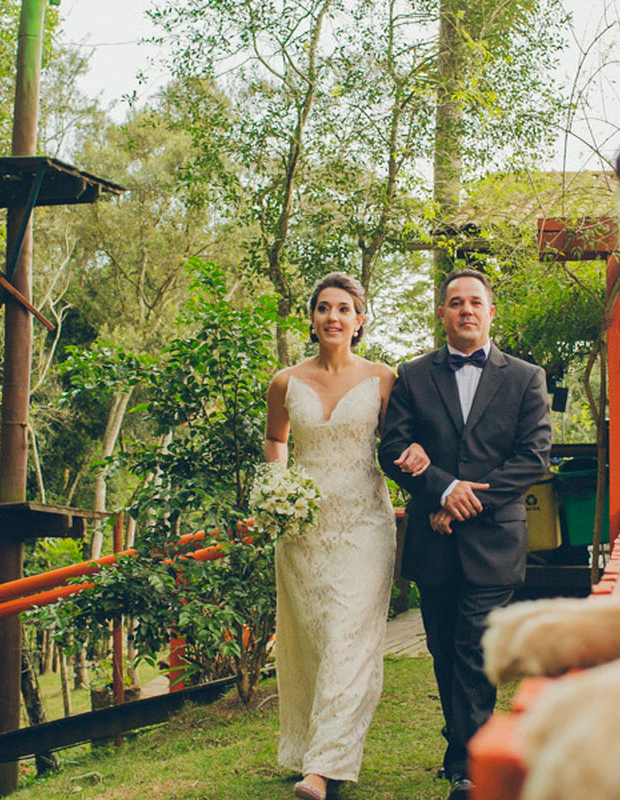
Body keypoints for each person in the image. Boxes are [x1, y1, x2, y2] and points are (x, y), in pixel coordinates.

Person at [378, 268, 552, 800]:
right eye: (456, 302)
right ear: (442, 314)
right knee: (443, 647)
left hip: (494, 541)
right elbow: (392, 448)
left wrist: (465, 502)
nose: (466, 310)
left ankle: (469, 766)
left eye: (475, 302)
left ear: (490, 312)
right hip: (433, 542)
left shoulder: (526, 377)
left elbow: (534, 457)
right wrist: (443, 490)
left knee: (474, 648)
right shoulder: (412, 375)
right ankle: (460, 745)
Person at [264, 272, 403, 800]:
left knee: (349, 638)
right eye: (324, 308)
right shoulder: (285, 382)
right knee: (312, 642)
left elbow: (397, 444)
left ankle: (325, 768)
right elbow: (276, 440)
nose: (333, 317)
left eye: (344, 309)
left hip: (365, 524)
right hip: (302, 530)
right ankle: (308, 749)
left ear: (360, 320)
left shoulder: (383, 378)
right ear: (312, 317)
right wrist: (277, 491)